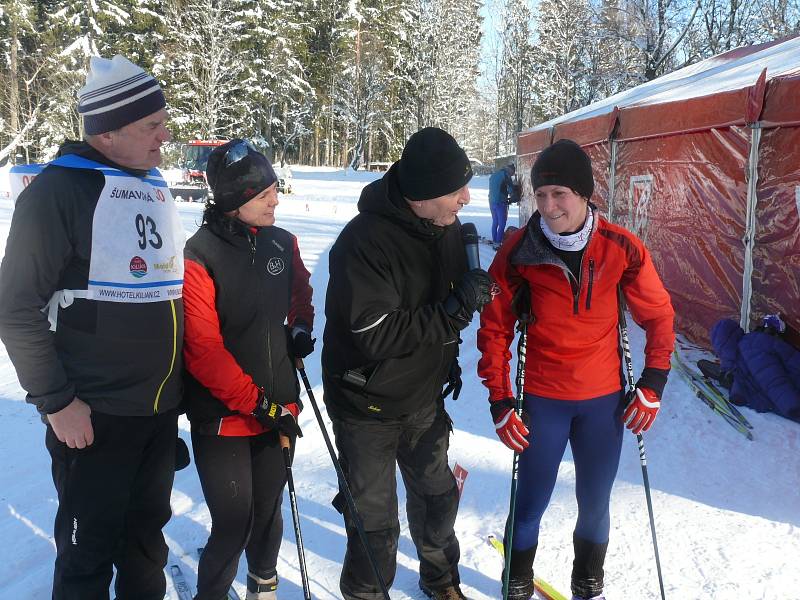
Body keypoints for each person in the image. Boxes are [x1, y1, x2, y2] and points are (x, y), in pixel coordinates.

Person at [0, 55, 183, 599]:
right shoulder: (56, 193)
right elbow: (14, 308)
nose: (164, 135)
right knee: (87, 557)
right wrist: (57, 402)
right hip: (94, 414)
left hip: (155, 411)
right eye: (151, 125)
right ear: (106, 132)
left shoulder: (149, 185)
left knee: (147, 547)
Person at [477, 139, 675, 600]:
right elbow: (494, 328)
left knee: (594, 505)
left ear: (585, 195)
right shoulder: (518, 250)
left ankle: (589, 585)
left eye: (559, 194)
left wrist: (653, 381)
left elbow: (659, 314)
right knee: (529, 504)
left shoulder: (621, 248)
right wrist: (500, 399)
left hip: (603, 405)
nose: (548, 206)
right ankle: (517, 584)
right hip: (543, 402)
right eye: (540, 195)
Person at [322, 127, 494, 600]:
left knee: (439, 499)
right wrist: (453, 312)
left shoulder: (446, 229)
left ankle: (441, 581)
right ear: (420, 196)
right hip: (366, 406)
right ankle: (366, 594)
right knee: (375, 526)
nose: (466, 196)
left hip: (422, 400)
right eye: (455, 189)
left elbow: (457, 293)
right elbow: (374, 333)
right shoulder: (364, 243)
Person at [181, 139, 315, 600]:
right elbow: (202, 349)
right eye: (263, 195)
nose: (275, 199)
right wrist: (258, 405)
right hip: (224, 414)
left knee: (267, 510)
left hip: (279, 400)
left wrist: (299, 327)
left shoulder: (283, 242)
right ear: (236, 202)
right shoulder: (199, 255)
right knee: (234, 521)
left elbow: (301, 295)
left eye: (275, 189)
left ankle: (263, 586)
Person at [706, 316, 800, 422]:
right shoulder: (741, 353)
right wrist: (737, 395)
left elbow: (775, 382)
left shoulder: (750, 348)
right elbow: (745, 378)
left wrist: (793, 407)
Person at [488, 163, 517, 248]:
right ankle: (498, 242)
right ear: (510, 170)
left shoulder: (494, 175)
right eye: (512, 173)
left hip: (491, 201)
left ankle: (495, 240)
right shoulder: (506, 175)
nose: (512, 175)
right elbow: (510, 189)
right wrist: (513, 196)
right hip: (500, 202)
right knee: (502, 223)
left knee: (495, 222)